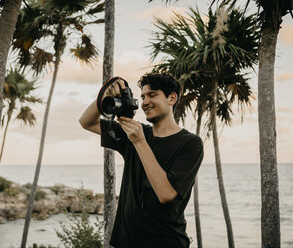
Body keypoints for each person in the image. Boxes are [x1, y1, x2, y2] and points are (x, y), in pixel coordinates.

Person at [79, 73, 204, 248]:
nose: (145, 102)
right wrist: (106, 95)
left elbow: (166, 194)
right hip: (125, 242)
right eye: (143, 96)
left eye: (152, 95)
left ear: (172, 98)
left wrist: (139, 142)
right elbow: (86, 122)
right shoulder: (135, 132)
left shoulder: (190, 143)